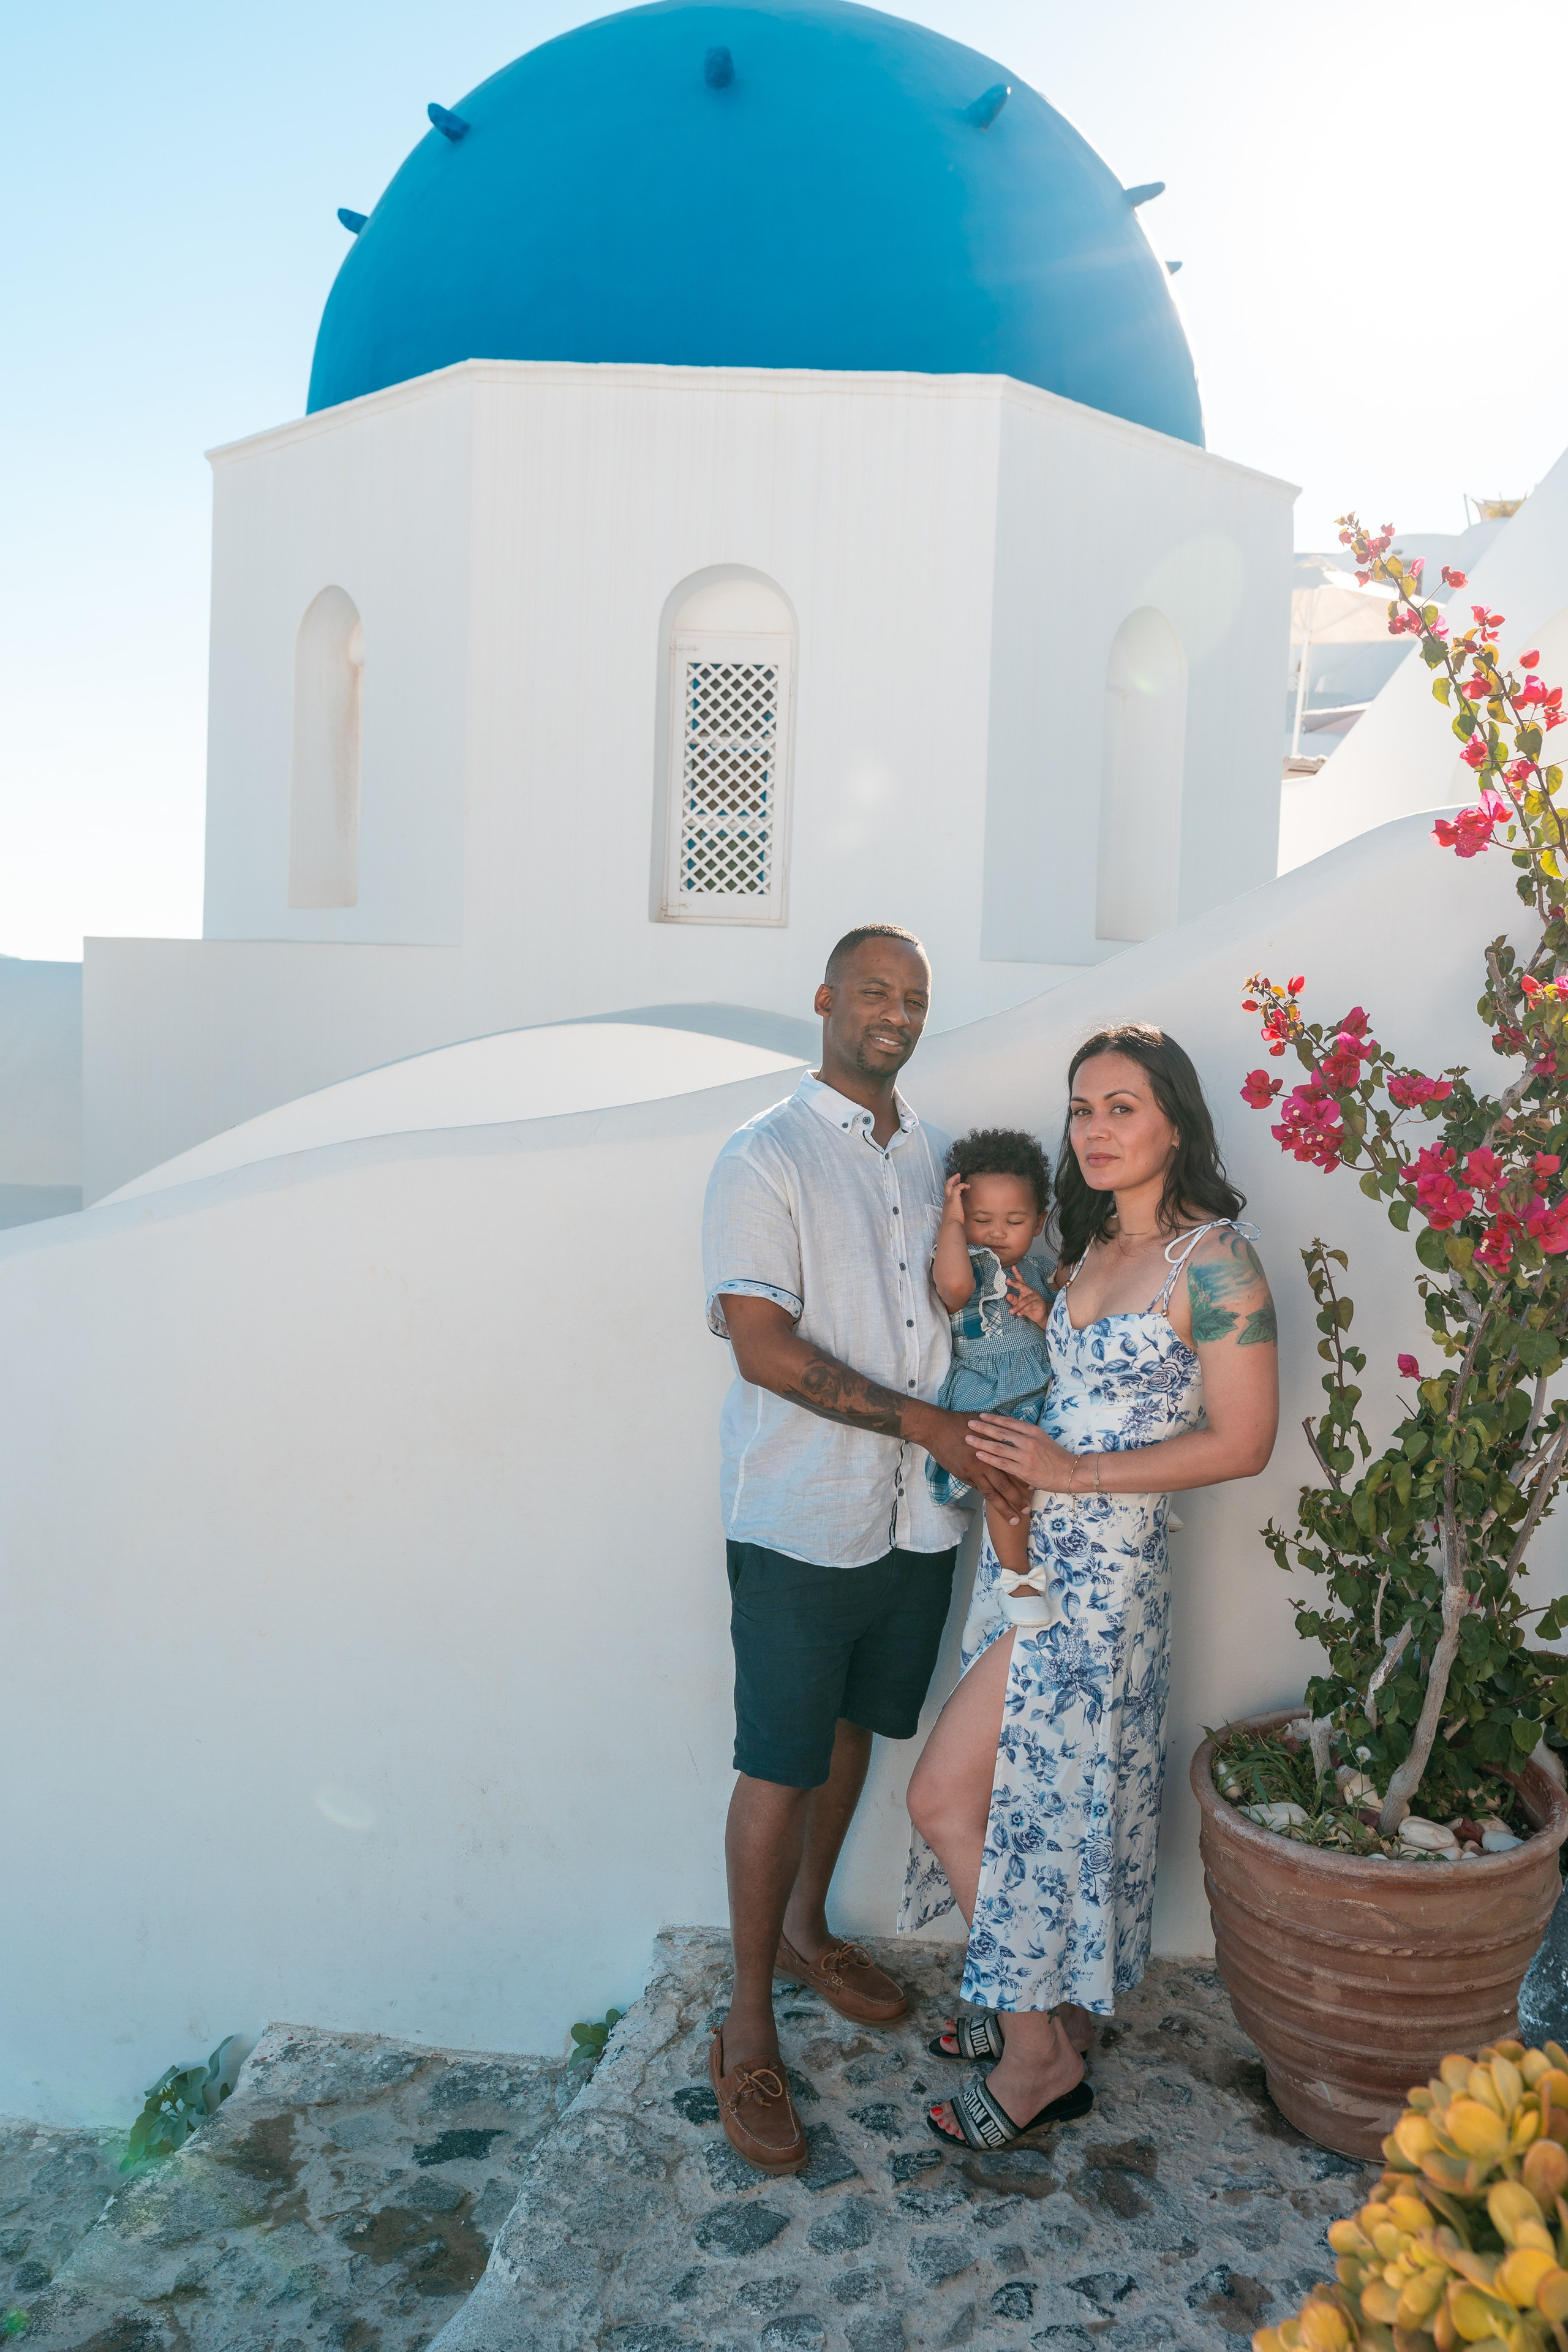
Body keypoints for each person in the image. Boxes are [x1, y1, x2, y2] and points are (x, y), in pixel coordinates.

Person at [902, 1023, 1280, 2154]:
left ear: (1175, 1119)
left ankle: (1038, 2058)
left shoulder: (1215, 1262)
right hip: (1024, 1560)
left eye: (1122, 1106)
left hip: (1100, 1581)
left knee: (947, 1800)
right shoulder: (1086, 1250)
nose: (1097, 1129)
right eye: (1082, 1109)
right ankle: (1047, 2004)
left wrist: (1076, 1472)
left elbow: (1245, 1440)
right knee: (1042, 1803)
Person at [700, 924, 1031, 2177]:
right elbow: (762, 1349)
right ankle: (743, 2026)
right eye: (875, 990)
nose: (896, 1010)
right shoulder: (763, 1155)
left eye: (916, 996)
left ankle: (807, 1931)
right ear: (827, 998)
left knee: (853, 1731)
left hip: (916, 1517)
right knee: (778, 1758)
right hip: (800, 1513)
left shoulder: (938, 1159)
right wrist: (924, 1419)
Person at [927, 1129, 1055, 1616]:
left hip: (1043, 1389)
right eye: (982, 1219)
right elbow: (954, 1288)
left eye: (1015, 1220)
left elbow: (1069, 1329)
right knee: (1007, 1482)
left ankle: (1143, 1500)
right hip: (992, 1400)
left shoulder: (1040, 1270)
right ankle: (1017, 1577)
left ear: (1040, 1220)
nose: (997, 1232)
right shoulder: (970, 1268)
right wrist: (953, 1225)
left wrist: (1044, 1311)